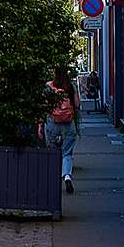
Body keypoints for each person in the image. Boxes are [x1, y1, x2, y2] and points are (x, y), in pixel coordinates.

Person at [45, 66, 80, 194]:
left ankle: (52, 180)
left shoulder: (49, 86)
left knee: (52, 150)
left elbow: (45, 105)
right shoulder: (71, 86)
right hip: (68, 123)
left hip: (52, 121)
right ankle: (67, 176)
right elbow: (77, 105)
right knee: (67, 152)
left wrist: (40, 124)